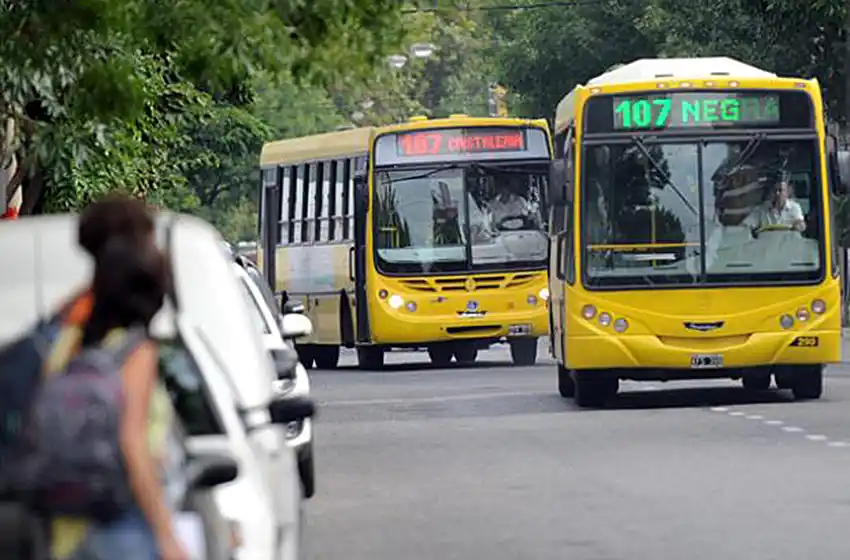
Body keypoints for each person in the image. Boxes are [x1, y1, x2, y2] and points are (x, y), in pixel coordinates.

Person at [46, 194, 188, 560]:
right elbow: (133, 446)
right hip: (123, 525)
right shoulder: (133, 350)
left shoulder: (64, 337)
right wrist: (166, 534)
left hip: (65, 532)